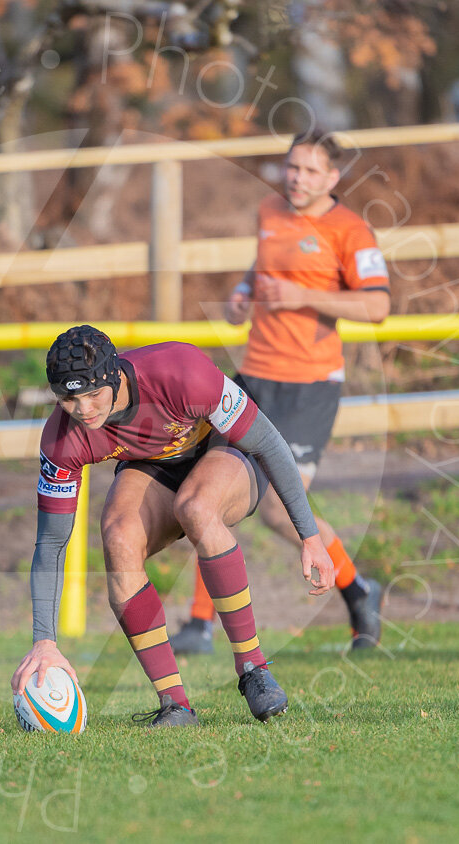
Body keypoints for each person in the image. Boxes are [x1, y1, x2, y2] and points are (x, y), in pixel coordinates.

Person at [11, 325, 334, 726]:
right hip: (153, 465)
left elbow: (268, 444)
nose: (85, 410)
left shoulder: (181, 372)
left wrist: (310, 537)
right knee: (118, 538)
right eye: (69, 400)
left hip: (224, 451)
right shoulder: (62, 439)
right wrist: (45, 641)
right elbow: (50, 543)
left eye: (94, 394)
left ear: (115, 376)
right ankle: (176, 705)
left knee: (196, 506)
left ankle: (254, 670)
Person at [169, 128, 389, 656]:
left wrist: (302, 295)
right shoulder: (270, 211)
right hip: (255, 378)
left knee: (275, 509)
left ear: (333, 178)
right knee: (209, 488)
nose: (297, 177)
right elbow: (262, 266)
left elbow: (377, 306)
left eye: (311, 170)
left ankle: (357, 590)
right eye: (292, 166)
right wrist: (244, 292)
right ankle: (200, 623)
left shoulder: (349, 230)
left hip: (309, 388)